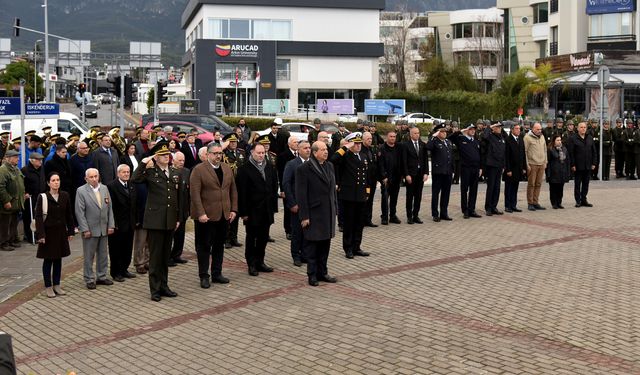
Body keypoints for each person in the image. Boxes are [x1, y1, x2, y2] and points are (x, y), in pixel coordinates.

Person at [132, 143, 183, 302]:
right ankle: (155, 289)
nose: (166, 157)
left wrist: (178, 218)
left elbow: (178, 198)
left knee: (164, 257)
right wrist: (143, 162)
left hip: (169, 220)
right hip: (155, 221)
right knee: (155, 257)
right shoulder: (150, 172)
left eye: (167, 154)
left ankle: (164, 286)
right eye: (162, 155)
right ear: (156, 157)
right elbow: (134, 179)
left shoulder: (175, 172)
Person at [190, 143, 237, 288]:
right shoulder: (199, 170)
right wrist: (201, 213)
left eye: (220, 153)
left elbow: (233, 190)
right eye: (215, 153)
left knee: (219, 245)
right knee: (204, 246)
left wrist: (233, 209)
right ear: (208, 154)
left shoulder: (227, 168)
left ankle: (217, 273)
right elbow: (195, 194)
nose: (218, 156)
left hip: (223, 215)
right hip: (206, 216)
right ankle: (204, 275)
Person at [296, 141, 338, 286]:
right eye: (322, 150)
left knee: (325, 245)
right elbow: (301, 195)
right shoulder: (304, 169)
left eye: (326, 149)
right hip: (314, 214)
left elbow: (332, 191)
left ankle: (323, 272)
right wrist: (305, 216)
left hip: (327, 213)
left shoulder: (329, 166)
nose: (326, 152)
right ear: (314, 153)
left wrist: (335, 208)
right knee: (313, 246)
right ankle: (312, 274)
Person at [236, 143, 278, 276]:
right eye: (258, 153)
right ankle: (251, 264)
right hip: (252, 211)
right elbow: (241, 192)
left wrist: (273, 208)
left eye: (262, 153)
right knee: (251, 238)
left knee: (263, 237)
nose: (261, 155)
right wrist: (243, 212)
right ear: (252, 153)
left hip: (266, 209)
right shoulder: (244, 169)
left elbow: (273, 187)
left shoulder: (270, 167)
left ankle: (260, 261)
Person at [330, 132, 370, 259]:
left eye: (359, 143)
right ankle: (348, 248)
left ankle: (356, 247)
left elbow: (367, 176)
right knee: (349, 223)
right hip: (348, 195)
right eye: (355, 143)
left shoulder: (363, 156)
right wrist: (345, 147)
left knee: (359, 223)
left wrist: (367, 192)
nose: (358, 146)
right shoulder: (345, 156)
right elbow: (333, 160)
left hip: (361, 195)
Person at [35, 172, 75, 297]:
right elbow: (39, 217)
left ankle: (57, 284)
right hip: (48, 233)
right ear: (48, 183)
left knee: (58, 259)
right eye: (53, 180)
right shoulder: (43, 197)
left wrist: (71, 231)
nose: (56, 182)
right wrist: (41, 235)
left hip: (61, 233)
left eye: (58, 180)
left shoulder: (65, 195)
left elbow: (69, 214)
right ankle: (48, 286)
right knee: (48, 260)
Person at [75, 168, 115, 289]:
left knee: (103, 254)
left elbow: (110, 208)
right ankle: (89, 278)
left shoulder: (104, 188)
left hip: (104, 227)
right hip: (90, 230)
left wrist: (111, 225)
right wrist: (85, 229)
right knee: (89, 255)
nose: (94, 179)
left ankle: (101, 276)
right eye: (91, 177)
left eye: (96, 176)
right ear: (86, 179)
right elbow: (79, 212)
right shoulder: (81, 191)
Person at [107, 164, 137, 283]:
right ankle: (116, 272)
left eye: (128, 172)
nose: (126, 174)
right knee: (116, 250)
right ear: (118, 173)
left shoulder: (131, 184)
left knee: (127, 248)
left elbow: (135, 204)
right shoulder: (111, 186)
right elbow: (110, 207)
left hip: (130, 223)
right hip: (118, 224)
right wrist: (113, 224)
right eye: (124, 172)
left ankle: (124, 269)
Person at [282, 140, 310, 266]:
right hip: (297, 205)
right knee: (297, 232)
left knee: (307, 231)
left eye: (309, 148)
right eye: (305, 148)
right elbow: (286, 184)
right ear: (298, 150)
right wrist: (292, 203)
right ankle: (296, 255)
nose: (308, 150)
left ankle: (305, 254)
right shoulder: (292, 164)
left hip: (310, 205)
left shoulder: (313, 164)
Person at [450, 124, 482, 219]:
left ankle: (472, 209)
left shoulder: (476, 142)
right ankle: (465, 210)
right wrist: (461, 131)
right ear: (467, 130)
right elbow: (450, 138)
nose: (473, 131)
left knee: (474, 190)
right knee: (464, 190)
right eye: (471, 129)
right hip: (465, 168)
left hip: (475, 169)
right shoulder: (461, 139)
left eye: (474, 130)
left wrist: (480, 168)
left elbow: (479, 156)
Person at [401, 126, 429, 224]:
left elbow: (425, 160)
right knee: (410, 196)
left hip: (420, 174)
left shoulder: (422, 144)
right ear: (411, 134)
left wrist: (426, 173)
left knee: (418, 196)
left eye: (418, 133)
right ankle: (409, 216)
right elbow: (404, 161)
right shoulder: (406, 145)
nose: (417, 135)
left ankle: (416, 215)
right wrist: (406, 175)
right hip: (411, 175)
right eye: (415, 133)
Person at [426, 123, 454, 222]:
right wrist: (433, 137)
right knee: (436, 193)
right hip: (438, 172)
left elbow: (451, 157)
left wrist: (452, 170)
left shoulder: (448, 142)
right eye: (442, 131)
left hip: (448, 172)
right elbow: (428, 148)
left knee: (446, 193)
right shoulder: (434, 142)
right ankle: (435, 214)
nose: (444, 133)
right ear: (438, 132)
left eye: (445, 131)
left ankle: (444, 213)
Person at [223, 133, 245, 249]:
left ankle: (234, 237)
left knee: (235, 212)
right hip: (228, 187)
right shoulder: (223, 153)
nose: (233, 144)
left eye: (235, 141)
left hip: (239, 186)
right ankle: (226, 238)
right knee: (228, 213)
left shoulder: (241, 153)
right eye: (231, 142)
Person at [567, 122, 597, 208]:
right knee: (577, 184)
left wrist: (594, 163)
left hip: (588, 165)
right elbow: (571, 153)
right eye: (581, 127)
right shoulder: (573, 138)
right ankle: (578, 201)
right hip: (578, 166)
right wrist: (572, 165)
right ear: (577, 128)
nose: (583, 129)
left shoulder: (590, 138)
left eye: (584, 127)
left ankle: (584, 199)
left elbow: (594, 151)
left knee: (586, 183)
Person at [0, 150, 25, 251]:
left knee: (13, 223)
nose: (17, 159)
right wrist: (6, 201)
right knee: (5, 224)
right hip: (8, 203)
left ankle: (11, 240)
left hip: (16, 202)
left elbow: (20, 182)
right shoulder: (3, 170)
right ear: (8, 158)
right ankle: (3, 243)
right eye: (15, 157)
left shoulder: (16, 169)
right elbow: (1, 187)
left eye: (17, 157)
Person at [169, 152, 190, 266]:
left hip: (183, 208)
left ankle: (177, 255)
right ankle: (167, 257)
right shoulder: (169, 172)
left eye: (183, 160)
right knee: (171, 234)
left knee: (180, 235)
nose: (182, 162)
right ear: (173, 160)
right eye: (179, 160)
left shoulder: (186, 171)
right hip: (173, 208)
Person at [481, 122, 506, 216]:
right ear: (494, 128)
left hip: (499, 165)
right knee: (491, 187)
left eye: (500, 127)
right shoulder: (490, 136)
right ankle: (488, 208)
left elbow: (503, 153)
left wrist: (504, 165)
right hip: (491, 166)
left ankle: (494, 206)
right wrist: (490, 127)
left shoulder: (502, 137)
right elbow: (484, 136)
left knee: (497, 187)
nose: (500, 129)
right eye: (498, 127)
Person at [21, 152, 46, 244]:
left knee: (39, 216)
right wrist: (25, 193)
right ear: (32, 161)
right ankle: (29, 235)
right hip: (30, 198)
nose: (41, 162)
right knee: (29, 217)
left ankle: (38, 234)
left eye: (41, 160)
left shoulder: (42, 169)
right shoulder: (25, 170)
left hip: (40, 196)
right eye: (38, 160)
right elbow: (21, 184)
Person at [378, 131, 402, 225]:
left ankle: (392, 215)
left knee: (394, 198)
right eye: (391, 136)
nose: (393, 138)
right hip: (386, 178)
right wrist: (383, 176)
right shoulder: (382, 148)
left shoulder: (398, 147)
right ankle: (384, 216)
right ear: (387, 137)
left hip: (396, 177)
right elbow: (380, 164)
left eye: (394, 137)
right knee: (385, 198)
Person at [277, 136, 298, 240]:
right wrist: (282, 189)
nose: (296, 144)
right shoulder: (283, 156)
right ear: (289, 144)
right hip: (288, 187)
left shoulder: (299, 155)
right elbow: (281, 174)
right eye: (294, 142)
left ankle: (295, 228)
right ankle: (288, 230)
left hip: (298, 187)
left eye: (297, 142)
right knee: (288, 208)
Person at [523, 122, 547, 211]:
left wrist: (545, 161)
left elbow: (545, 150)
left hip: (541, 164)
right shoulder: (527, 138)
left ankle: (536, 202)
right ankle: (530, 203)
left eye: (540, 129)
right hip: (532, 164)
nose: (539, 131)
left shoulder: (542, 137)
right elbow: (524, 152)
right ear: (532, 129)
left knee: (538, 184)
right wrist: (527, 164)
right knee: (531, 184)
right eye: (537, 129)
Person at [503, 122, 527, 213]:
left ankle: (513, 205)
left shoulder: (520, 139)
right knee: (508, 188)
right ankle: (507, 205)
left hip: (518, 168)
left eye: (519, 129)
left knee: (515, 187)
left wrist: (524, 167)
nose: (518, 130)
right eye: (516, 129)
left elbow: (523, 154)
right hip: (510, 169)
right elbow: (506, 156)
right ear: (512, 130)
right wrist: (508, 169)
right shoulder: (508, 140)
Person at [546, 135, 570, 209]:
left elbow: (567, 161)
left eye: (560, 140)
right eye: (557, 140)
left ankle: (559, 202)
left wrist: (568, 171)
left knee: (560, 188)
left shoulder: (564, 149)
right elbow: (548, 162)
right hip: (554, 172)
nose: (559, 142)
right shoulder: (550, 149)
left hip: (562, 172)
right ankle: (554, 203)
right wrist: (548, 173)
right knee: (553, 189)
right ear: (554, 141)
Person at [361, 132, 379, 227]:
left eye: (371, 138)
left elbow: (374, 165)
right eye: (368, 138)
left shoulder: (372, 149)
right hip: (364, 181)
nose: (370, 140)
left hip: (372, 180)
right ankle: (362, 220)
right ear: (363, 139)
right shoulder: (360, 150)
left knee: (370, 200)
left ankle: (368, 219)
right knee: (364, 200)